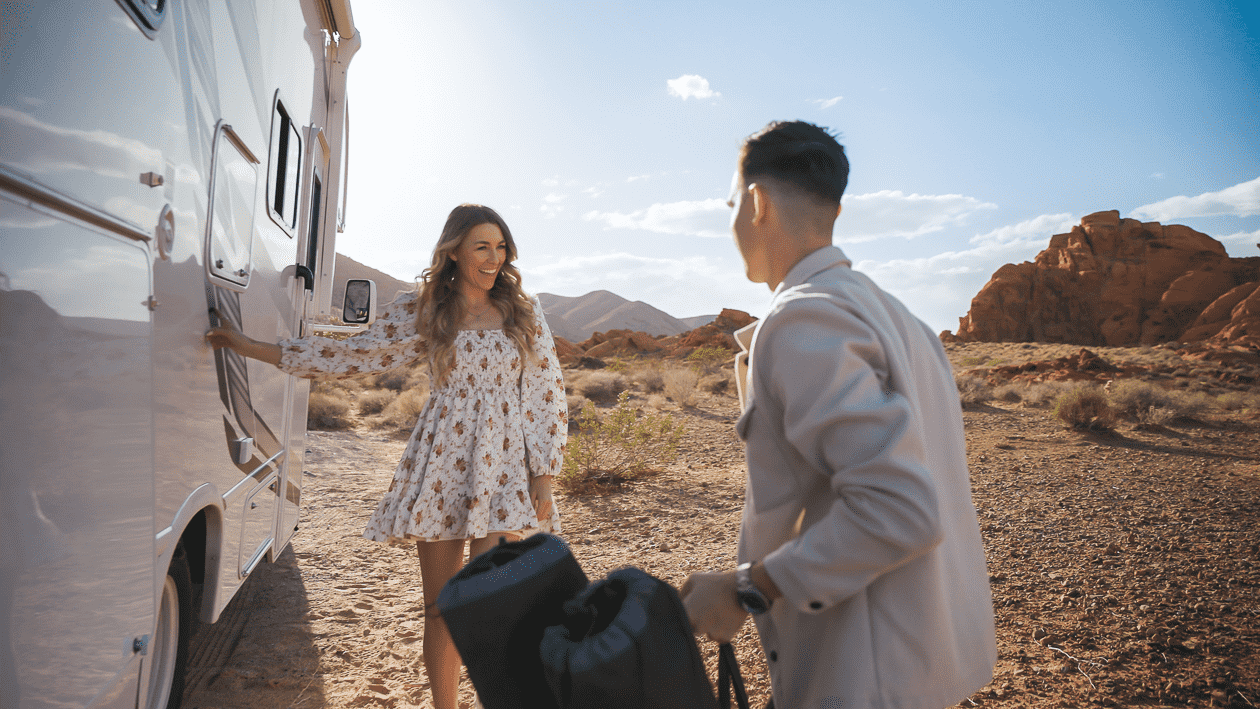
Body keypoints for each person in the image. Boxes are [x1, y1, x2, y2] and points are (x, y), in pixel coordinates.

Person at [680, 121, 996, 708]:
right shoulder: (904, 319)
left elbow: (898, 508)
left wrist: (746, 590)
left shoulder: (803, 319)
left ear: (757, 202)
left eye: (732, 204)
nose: (732, 223)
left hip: (862, 676)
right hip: (923, 665)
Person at [207, 203, 568, 709]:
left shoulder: (524, 311)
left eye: (501, 246)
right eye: (481, 246)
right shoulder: (425, 310)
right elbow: (353, 354)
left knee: (489, 605)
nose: (493, 258)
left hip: (505, 467)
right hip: (443, 463)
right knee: (442, 609)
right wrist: (249, 346)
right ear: (454, 252)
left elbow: (546, 391)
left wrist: (544, 473)